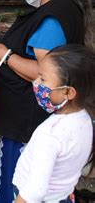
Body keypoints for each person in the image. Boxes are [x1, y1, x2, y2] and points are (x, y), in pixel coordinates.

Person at [0, 0, 94, 202]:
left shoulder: (52, 18)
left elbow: (45, 73)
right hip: (29, 117)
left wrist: (6, 55)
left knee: (18, 184)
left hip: (23, 121)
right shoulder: (68, 7)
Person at [12, 44, 94, 203]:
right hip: (62, 196)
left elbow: (35, 191)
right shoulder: (86, 118)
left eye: (43, 79)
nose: (36, 82)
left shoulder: (50, 135)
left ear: (68, 92)